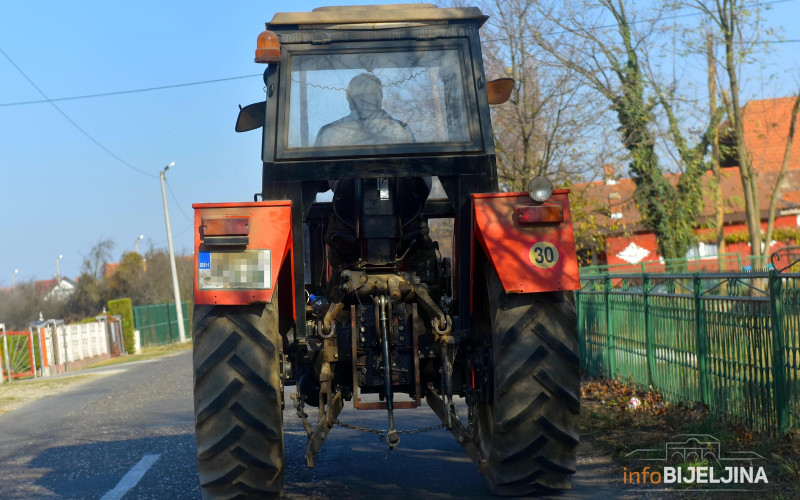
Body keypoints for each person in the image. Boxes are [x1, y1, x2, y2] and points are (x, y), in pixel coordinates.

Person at [315, 73, 415, 147]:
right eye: (360, 93)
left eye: (368, 93)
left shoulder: (329, 132)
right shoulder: (400, 130)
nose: (363, 98)